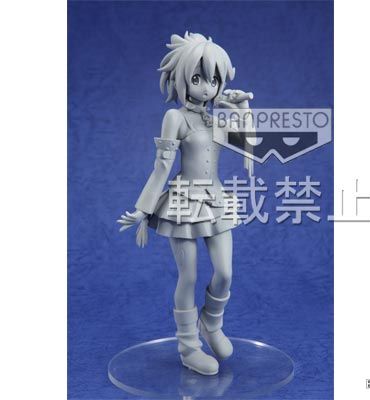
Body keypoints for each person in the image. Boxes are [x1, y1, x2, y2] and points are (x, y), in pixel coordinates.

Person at [118, 32, 254, 375]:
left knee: (225, 273)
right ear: (182, 80)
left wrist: (243, 110)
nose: (207, 87)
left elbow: (250, 148)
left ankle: (211, 323)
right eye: (198, 78)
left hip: (216, 199)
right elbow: (162, 166)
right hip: (183, 202)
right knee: (189, 276)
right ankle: (189, 348)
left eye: (214, 80)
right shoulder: (175, 118)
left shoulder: (216, 119)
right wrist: (144, 209)